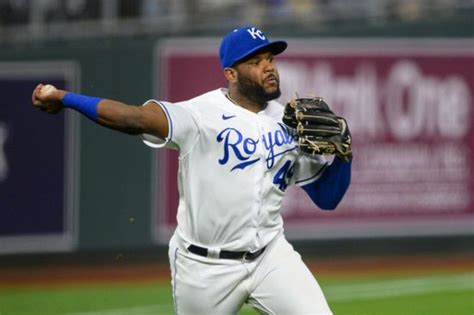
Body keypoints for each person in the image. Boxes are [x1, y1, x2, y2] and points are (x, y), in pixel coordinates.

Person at [32, 26, 351, 315]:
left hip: (270, 256)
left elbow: (327, 197)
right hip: (203, 268)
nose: (268, 66)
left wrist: (344, 156)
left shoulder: (289, 124)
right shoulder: (199, 115)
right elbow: (133, 119)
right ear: (231, 73)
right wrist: (64, 98)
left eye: (270, 58)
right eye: (255, 61)